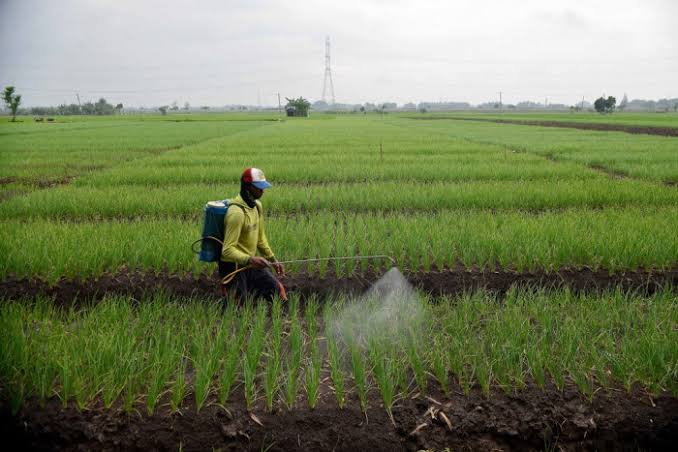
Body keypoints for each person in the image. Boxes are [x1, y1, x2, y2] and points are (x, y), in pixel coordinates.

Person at [219, 167, 286, 302]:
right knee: (238, 304)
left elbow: (260, 239)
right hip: (233, 267)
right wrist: (251, 259)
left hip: (250, 264)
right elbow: (227, 250)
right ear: (247, 187)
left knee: (278, 293)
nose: (262, 191)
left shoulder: (257, 206)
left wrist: (273, 261)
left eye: (263, 187)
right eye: (258, 187)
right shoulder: (236, 213)